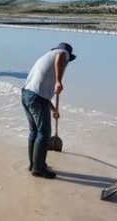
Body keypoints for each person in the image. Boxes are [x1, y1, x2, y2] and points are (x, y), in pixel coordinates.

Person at [21, 43, 76, 179]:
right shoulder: (62, 53)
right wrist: (58, 81)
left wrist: (53, 109)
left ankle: (33, 165)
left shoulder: (45, 58)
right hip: (36, 98)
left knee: (34, 131)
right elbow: (61, 55)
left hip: (27, 95)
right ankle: (39, 169)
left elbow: (40, 92)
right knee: (44, 133)